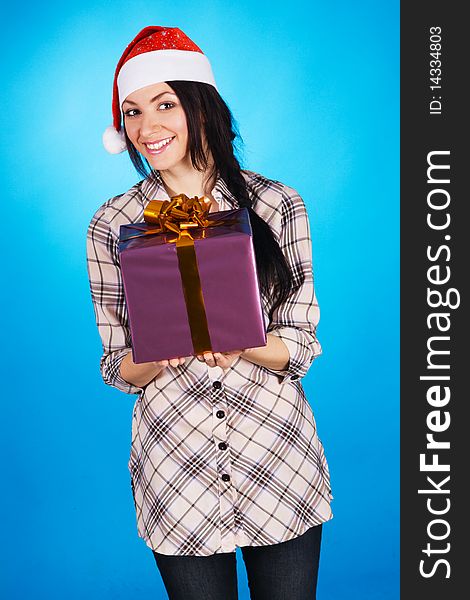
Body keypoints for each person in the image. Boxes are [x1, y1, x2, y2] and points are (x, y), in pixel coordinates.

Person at [86, 25, 333, 600]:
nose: (148, 127)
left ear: (201, 106)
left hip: (275, 459)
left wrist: (244, 338)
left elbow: (300, 344)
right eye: (132, 112)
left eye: (165, 104)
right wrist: (156, 353)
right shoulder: (112, 224)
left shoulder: (276, 203)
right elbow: (114, 365)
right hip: (177, 469)